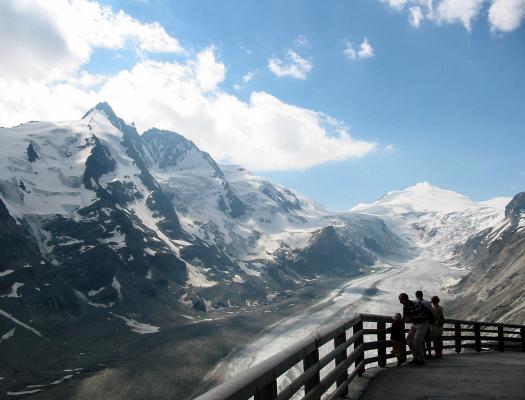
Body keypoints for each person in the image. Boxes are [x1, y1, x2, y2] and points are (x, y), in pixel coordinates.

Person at [399, 292, 429, 366]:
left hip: (422, 323)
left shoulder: (416, 304)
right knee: (409, 339)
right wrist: (398, 321)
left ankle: (421, 360)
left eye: (401, 300)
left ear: (405, 299)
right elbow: (405, 316)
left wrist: (411, 318)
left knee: (417, 340)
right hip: (415, 324)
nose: (400, 302)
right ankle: (416, 358)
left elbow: (421, 316)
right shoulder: (405, 306)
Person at [415, 290, 435, 359]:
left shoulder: (415, 302)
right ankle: (429, 353)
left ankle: (423, 354)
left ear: (416, 295)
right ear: (422, 295)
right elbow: (432, 312)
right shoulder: (427, 302)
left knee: (421, 340)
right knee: (428, 339)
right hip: (427, 323)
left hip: (419, 324)